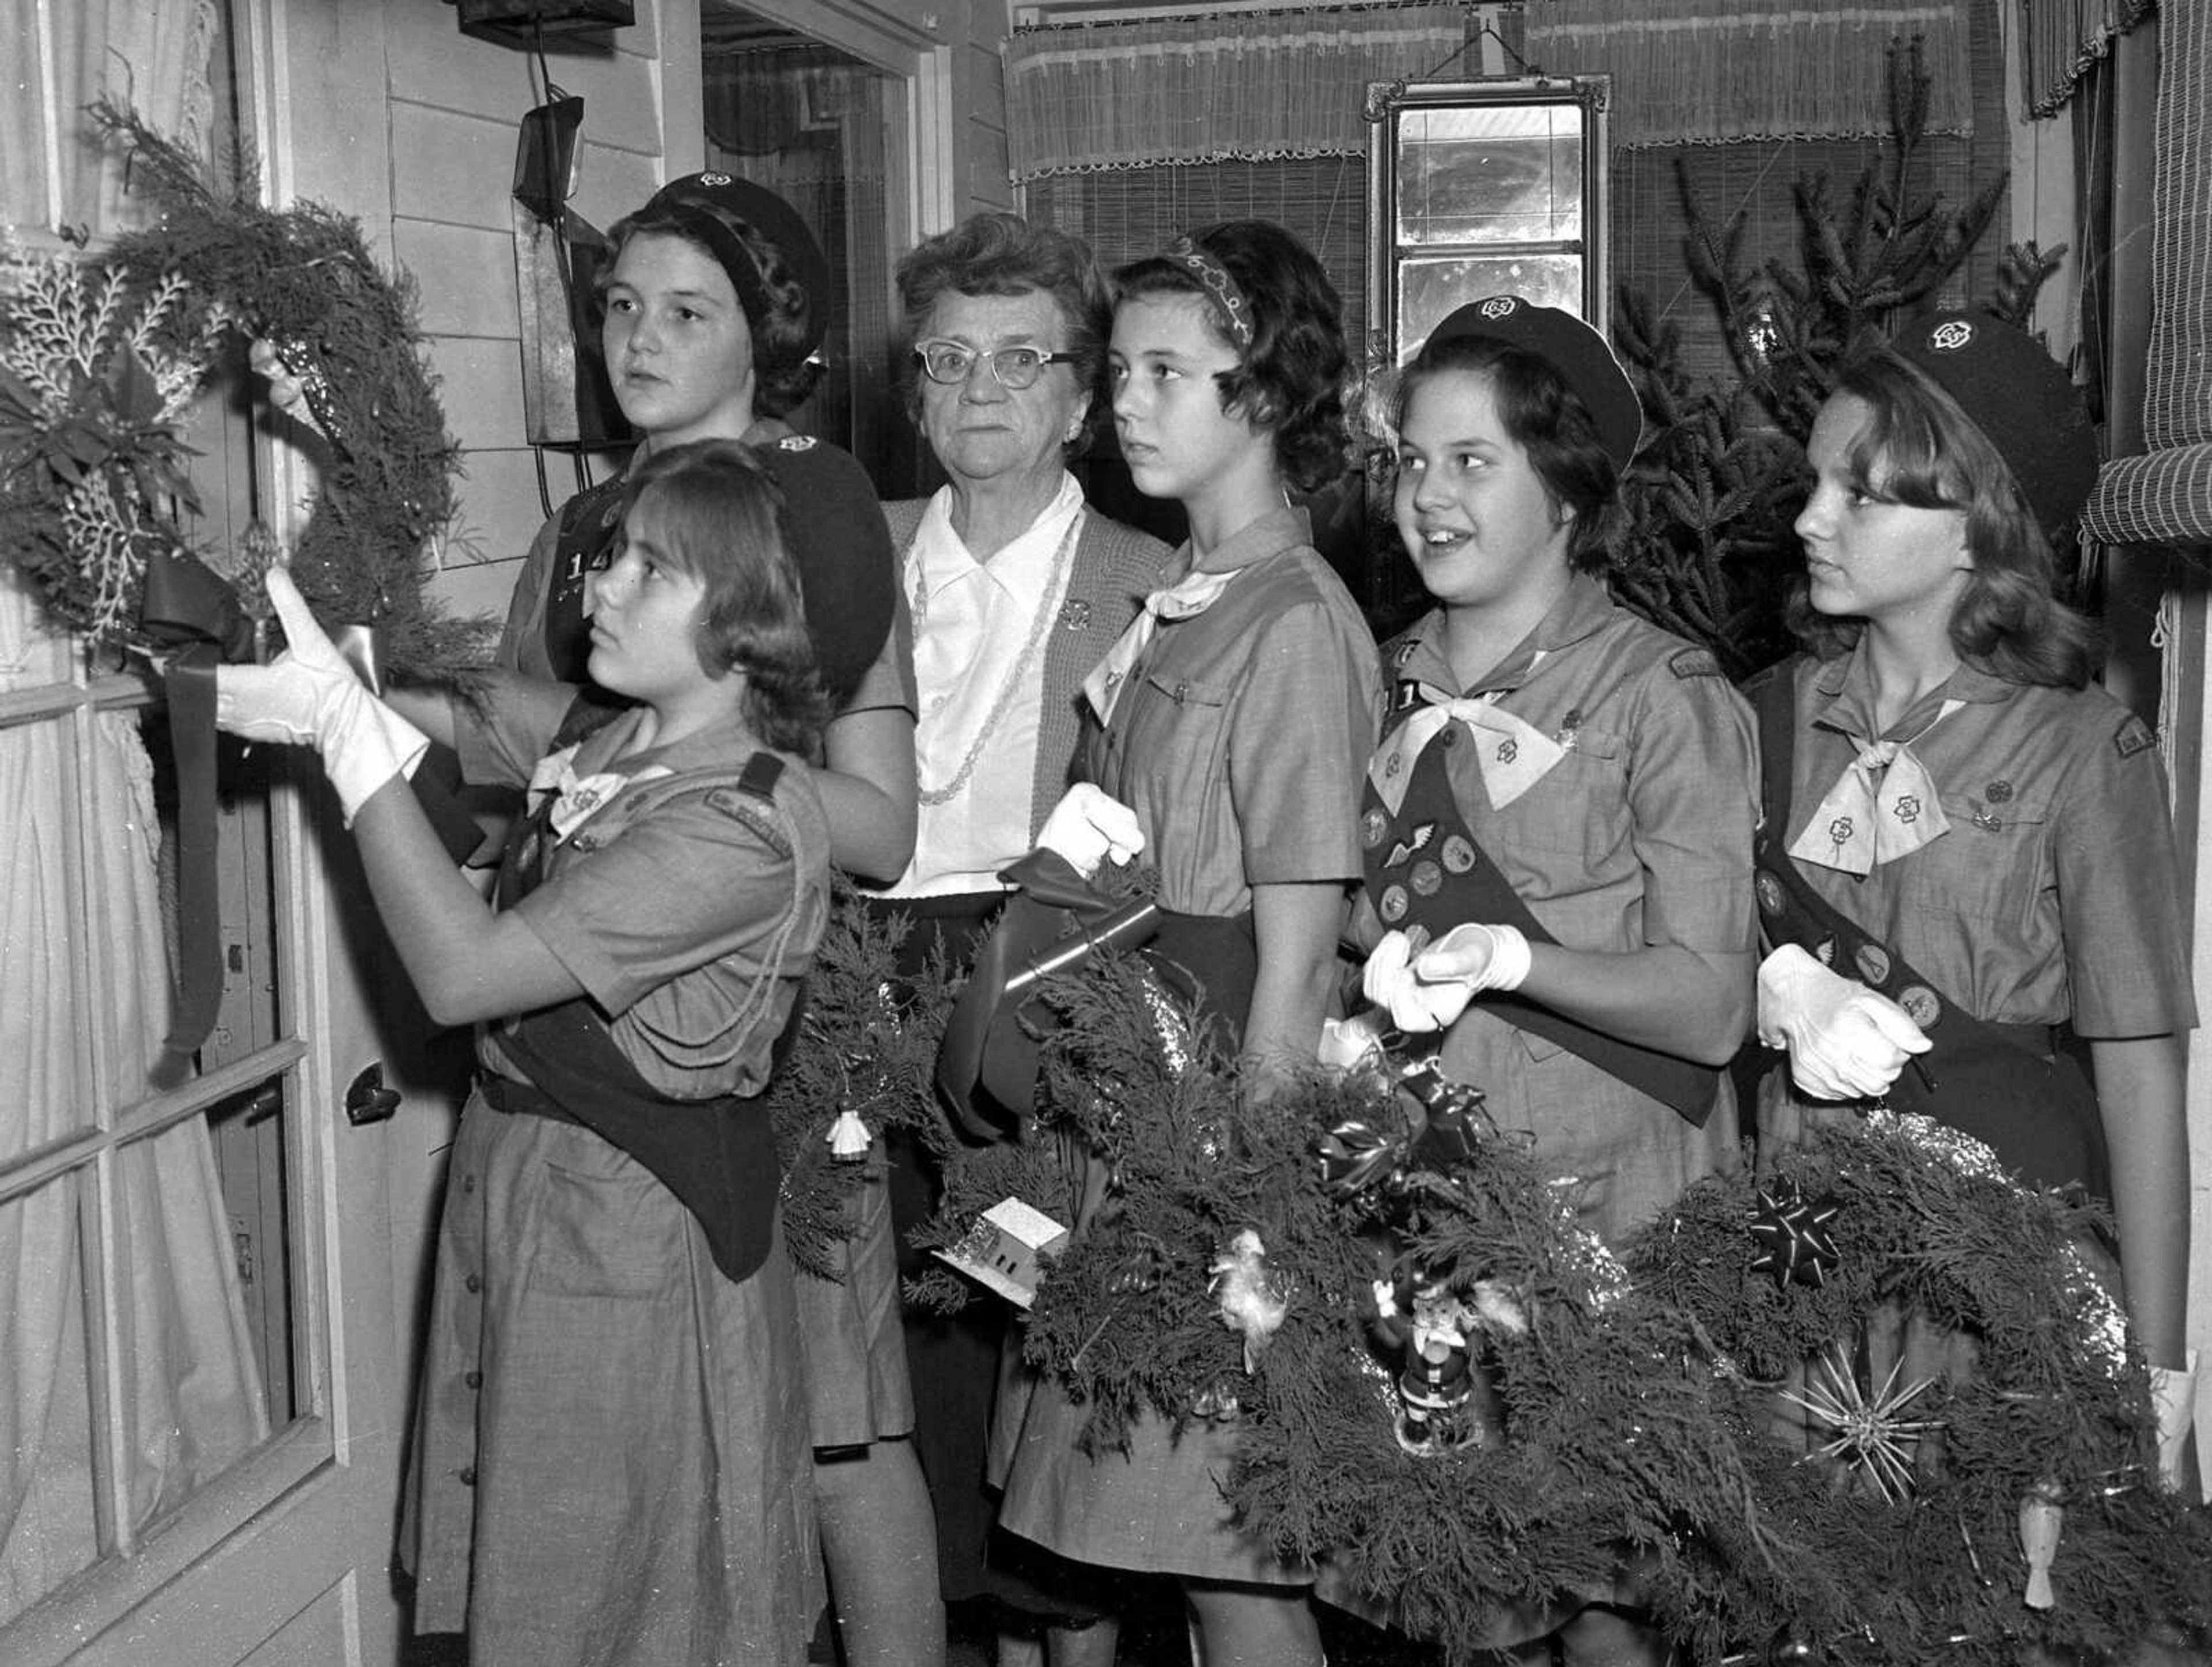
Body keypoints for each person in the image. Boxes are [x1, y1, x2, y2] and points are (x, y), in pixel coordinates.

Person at [215, 440, 838, 1664]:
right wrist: (334, 662)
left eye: (651, 572)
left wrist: (350, 742)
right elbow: (457, 727)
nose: (598, 587)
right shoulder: (619, 736)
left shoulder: (742, 822)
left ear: (747, 620)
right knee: (537, 1576)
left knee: (615, 1593)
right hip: (527, 1192)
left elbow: (463, 976)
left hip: (629, 1229)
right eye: (609, 555)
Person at [490, 172, 937, 1666]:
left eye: (686, 310)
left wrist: (715, 803)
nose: (639, 337)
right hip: (586, 1033)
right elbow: (522, 770)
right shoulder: (577, 530)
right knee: (622, 1449)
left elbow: (881, 821)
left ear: (768, 337)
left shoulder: (810, 521)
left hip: (767, 1015)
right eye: (620, 305)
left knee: (838, 1426)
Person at [991, 219, 1384, 1667]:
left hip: (1219, 1133)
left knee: (1230, 1555)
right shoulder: (1184, 596)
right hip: (1133, 1107)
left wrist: (1261, 1220)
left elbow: (1296, 954)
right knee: (1161, 1537)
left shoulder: (1292, 622)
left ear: (1266, 397)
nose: (1129, 402)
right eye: (1126, 368)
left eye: (1172, 371)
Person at [1349, 297, 1758, 1665]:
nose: (1427, 495)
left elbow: (1709, 1002)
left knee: (1606, 1606)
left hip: (1612, 1214)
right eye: (1412, 458)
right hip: (1431, 1206)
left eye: (1473, 462)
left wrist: (1520, 959)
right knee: (1456, 1598)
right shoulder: (1390, 678)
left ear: (1568, 487)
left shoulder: (1662, 695)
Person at [1748, 311, 2197, 1491]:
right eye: (1814, 483)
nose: (1809, 519)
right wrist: (1768, 986)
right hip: (1791, 1269)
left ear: (1977, 530)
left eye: (1862, 495)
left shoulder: (2085, 752)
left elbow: (2141, 1074)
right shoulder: (1758, 724)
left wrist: (2155, 1370)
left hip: (2010, 1290)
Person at [872, 211, 1172, 1649]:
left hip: (1043, 991)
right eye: (949, 357)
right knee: (887, 1381)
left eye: (1019, 357)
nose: (980, 387)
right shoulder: (848, 559)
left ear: (1078, 396)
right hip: (856, 988)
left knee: (1046, 1365)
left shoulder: (1155, 578)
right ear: (914, 389)